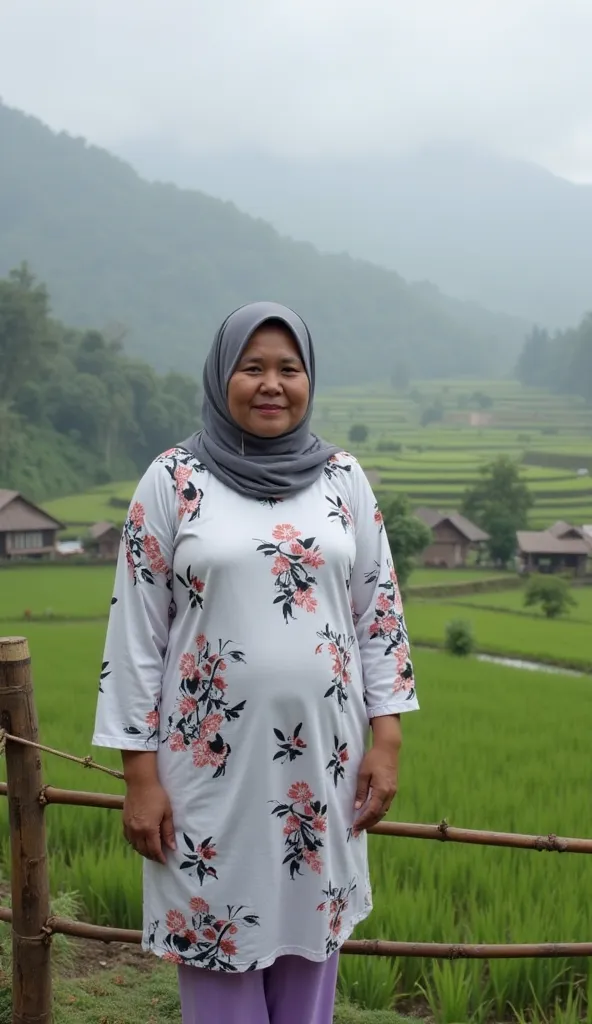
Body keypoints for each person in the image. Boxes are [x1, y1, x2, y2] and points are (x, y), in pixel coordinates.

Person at [92, 301, 418, 1024]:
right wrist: (138, 778)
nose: (272, 385)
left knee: (308, 959)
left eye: (288, 369)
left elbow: (379, 615)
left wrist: (387, 737)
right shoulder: (173, 480)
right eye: (253, 368)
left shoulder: (343, 480)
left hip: (323, 773)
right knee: (217, 949)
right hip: (208, 775)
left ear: (308, 381)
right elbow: (136, 640)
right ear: (221, 377)